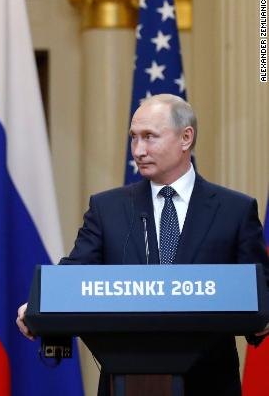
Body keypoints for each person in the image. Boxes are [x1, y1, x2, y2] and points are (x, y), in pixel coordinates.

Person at [15, 94, 269, 395]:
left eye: (149, 137)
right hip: (124, 380)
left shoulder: (234, 210)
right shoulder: (107, 208)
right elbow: (76, 273)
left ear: (186, 137)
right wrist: (42, 303)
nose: (138, 150)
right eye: (133, 138)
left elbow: (258, 291)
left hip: (209, 383)